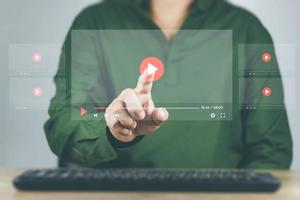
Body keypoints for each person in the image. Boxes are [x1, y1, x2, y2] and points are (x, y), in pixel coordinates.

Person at [44, 0, 293, 168]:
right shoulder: (94, 23)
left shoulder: (245, 29)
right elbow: (63, 125)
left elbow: (270, 150)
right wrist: (113, 130)